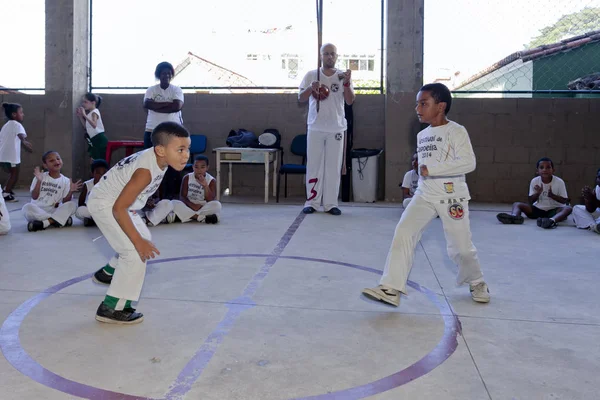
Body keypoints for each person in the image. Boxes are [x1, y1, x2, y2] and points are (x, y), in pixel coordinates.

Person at [362, 83, 490, 307]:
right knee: (404, 231)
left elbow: (469, 163)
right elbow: (424, 169)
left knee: (460, 247)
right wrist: (425, 176)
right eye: (417, 104)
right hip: (425, 193)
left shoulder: (457, 131)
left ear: (440, 106)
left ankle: (477, 281)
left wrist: (433, 170)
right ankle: (391, 288)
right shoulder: (423, 135)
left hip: (452, 196)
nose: (417, 108)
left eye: (424, 103)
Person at [88, 121, 190, 324]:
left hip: (121, 204)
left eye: (187, 149)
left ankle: (108, 272)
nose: (186, 155)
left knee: (143, 238)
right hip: (107, 205)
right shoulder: (145, 170)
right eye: (180, 149)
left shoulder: (158, 161)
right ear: (160, 150)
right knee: (135, 252)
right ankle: (111, 308)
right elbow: (118, 209)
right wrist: (137, 243)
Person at [298, 43, 355, 216]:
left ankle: (331, 203)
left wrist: (346, 84)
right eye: (326, 54)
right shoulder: (311, 75)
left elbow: (350, 100)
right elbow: (300, 98)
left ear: (337, 56)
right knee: (314, 165)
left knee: (333, 167)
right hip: (315, 127)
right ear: (321, 56)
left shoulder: (341, 76)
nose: (329, 57)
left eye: (332, 54)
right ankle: (312, 202)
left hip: (336, 128)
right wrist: (311, 88)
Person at [496, 157, 572, 229]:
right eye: (541, 167)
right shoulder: (534, 181)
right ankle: (514, 217)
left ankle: (552, 221)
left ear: (553, 170)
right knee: (517, 204)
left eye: (548, 167)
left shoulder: (559, 182)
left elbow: (564, 200)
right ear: (537, 171)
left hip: (554, 210)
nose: (544, 170)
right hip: (538, 209)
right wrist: (538, 193)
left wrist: (553, 196)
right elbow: (531, 201)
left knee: (568, 208)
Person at [23, 151, 81, 232]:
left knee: (72, 205)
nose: (56, 162)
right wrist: (39, 181)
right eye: (51, 160)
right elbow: (34, 196)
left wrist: (71, 191)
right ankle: (58, 220)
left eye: (58, 158)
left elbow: (65, 201)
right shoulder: (40, 176)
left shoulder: (66, 181)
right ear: (45, 165)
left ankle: (44, 223)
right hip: (38, 209)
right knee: (27, 207)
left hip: (54, 210)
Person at [142, 62, 184, 149]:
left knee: (172, 159)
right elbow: (147, 104)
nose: (167, 76)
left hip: (173, 130)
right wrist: (167, 104)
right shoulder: (151, 90)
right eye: (164, 73)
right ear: (159, 75)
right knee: (150, 158)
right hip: (152, 129)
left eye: (169, 73)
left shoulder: (177, 90)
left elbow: (176, 107)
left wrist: (156, 107)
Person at [172, 155, 221, 224]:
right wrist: (192, 205)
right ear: (193, 167)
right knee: (173, 203)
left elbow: (210, 200)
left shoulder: (211, 180)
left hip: (203, 206)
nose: (199, 170)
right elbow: (182, 197)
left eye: (202, 167)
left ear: (207, 168)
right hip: (188, 204)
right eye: (196, 167)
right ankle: (200, 217)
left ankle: (184, 216)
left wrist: (205, 186)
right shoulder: (187, 178)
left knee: (217, 205)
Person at [0, 103, 33, 202]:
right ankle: (6, 194)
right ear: (14, 114)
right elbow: (21, 136)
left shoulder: (5, 125)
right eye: (21, 112)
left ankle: (7, 189)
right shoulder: (17, 125)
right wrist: (25, 142)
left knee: (12, 174)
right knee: (14, 175)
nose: (23, 114)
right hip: (11, 157)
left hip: (3, 155)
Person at [76, 159, 109, 226]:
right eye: (98, 173)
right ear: (92, 174)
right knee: (80, 211)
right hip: (92, 211)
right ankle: (96, 220)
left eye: (104, 173)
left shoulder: (109, 184)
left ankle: (93, 221)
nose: (101, 176)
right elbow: (81, 203)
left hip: (103, 210)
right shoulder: (87, 185)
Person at [76, 93, 107, 161]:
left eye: (86, 102)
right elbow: (86, 127)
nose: (83, 104)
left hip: (99, 139)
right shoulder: (90, 114)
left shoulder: (94, 112)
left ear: (93, 103)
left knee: (98, 162)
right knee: (93, 161)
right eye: (83, 102)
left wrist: (84, 115)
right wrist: (80, 117)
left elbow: (94, 125)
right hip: (94, 139)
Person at [571, 168, 600, 234]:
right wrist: (588, 199)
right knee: (577, 208)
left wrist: (593, 199)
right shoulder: (597, 188)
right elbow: (591, 210)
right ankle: (595, 226)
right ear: (596, 178)